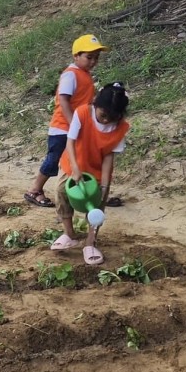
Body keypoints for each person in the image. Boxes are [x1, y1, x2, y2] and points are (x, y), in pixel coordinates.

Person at [51, 82, 130, 266]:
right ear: (96, 106)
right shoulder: (82, 113)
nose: (106, 121)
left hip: (96, 171)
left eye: (112, 118)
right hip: (73, 164)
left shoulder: (120, 128)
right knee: (61, 192)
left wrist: (104, 184)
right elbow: (70, 143)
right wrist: (76, 169)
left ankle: (90, 242)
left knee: (96, 206)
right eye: (103, 116)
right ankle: (69, 233)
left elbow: (108, 157)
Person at [25, 34, 107, 209]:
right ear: (76, 56)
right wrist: (74, 124)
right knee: (54, 159)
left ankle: (85, 191)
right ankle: (35, 190)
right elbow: (63, 101)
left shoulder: (84, 75)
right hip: (63, 128)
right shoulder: (71, 75)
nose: (93, 61)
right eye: (89, 57)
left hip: (77, 127)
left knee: (79, 160)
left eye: (96, 58)